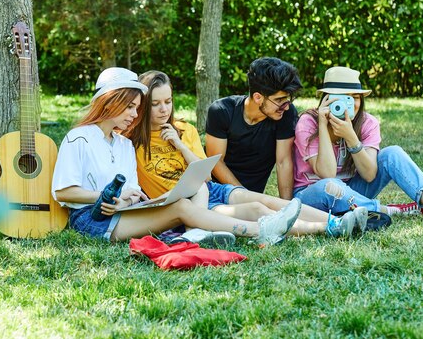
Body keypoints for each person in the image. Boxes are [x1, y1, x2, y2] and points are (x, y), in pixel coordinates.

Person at [52, 67, 302, 247]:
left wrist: (127, 200)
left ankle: (197, 234)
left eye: (137, 108)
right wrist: (106, 198)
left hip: (123, 213)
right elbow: (63, 192)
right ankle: (261, 230)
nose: (134, 113)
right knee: (184, 206)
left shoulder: (123, 144)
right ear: (110, 104)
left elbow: (132, 189)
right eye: (129, 107)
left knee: (193, 193)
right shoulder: (79, 138)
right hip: (90, 219)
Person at [125, 70, 368, 239]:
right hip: (182, 205)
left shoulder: (184, 130)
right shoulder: (129, 140)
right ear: (144, 105)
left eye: (168, 101)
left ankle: (338, 220)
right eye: (156, 104)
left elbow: (205, 175)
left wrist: (179, 144)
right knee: (258, 211)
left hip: (210, 190)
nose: (164, 109)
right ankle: (329, 228)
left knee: (270, 202)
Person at [292, 66, 423, 224]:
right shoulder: (308, 123)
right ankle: (389, 210)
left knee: (392, 153)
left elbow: (370, 174)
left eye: (354, 97)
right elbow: (327, 174)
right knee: (330, 185)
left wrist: (351, 139)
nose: (349, 104)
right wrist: (323, 126)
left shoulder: (368, 123)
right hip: (312, 196)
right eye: (341, 98)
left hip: (353, 192)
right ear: (326, 99)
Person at [205, 57, 302, 197]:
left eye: (287, 99)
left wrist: (286, 207)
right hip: (215, 192)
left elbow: (283, 162)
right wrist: (245, 196)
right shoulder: (221, 111)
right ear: (258, 97)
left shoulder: (286, 115)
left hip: (254, 199)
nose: (286, 107)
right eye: (279, 100)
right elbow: (216, 163)